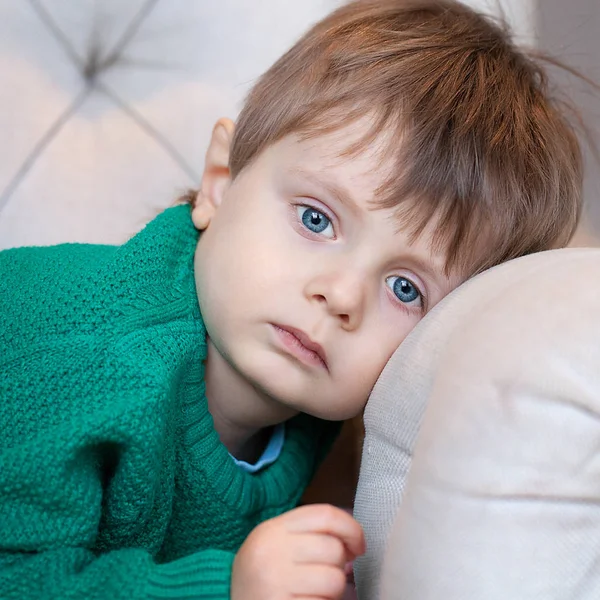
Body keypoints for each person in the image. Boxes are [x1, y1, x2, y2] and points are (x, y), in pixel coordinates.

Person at [0, 0, 585, 598]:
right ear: (220, 183)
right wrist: (227, 588)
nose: (340, 296)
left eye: (404, 288)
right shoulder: (90, 360)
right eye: (315, 219)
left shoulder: (318, 408)